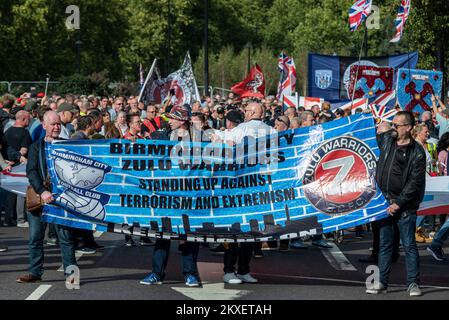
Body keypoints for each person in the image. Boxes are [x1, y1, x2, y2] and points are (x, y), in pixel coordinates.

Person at [140, 104, 201, 287]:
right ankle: (156, 273)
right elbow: (147, 150)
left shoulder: (198, 138)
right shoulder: (164, 136)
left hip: (190, 193)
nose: (169, 121)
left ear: (182, 120)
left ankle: (190, 274)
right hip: (167, 193)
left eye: (172, 118)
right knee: (162, 234)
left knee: (189, 235)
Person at [366, 111, 426, 297]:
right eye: (392, 124)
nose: (393, 128)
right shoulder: (387, 141)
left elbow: (414, 183)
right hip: (384, 203)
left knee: (409, 245)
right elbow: (368, 131)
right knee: (385, 245)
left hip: (405, 207)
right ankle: (382, 282)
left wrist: (398, 203)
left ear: (408, 127)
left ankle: (413, 284)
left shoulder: (417, 152)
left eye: (397, 125)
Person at [17, 111, 77, 283]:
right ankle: (35, 272)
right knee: (35, 237)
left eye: (59, 124)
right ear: (44, 126)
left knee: (65, 238)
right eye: (53, 124)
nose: (57, 127)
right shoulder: (36, 147)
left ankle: (71, 274)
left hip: (62, 200)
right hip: (40, 198)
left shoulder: (68, 145)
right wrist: (42, 190)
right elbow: (31, 171)